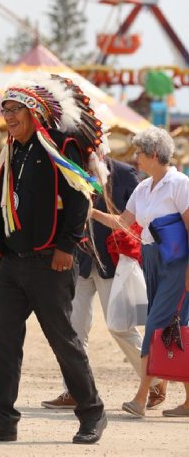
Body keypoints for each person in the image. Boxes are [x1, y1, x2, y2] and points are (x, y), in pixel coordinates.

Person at [0, 73, 107, 445]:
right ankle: (3, 419)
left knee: (63, 340)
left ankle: (92, 411)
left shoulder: (62, 144)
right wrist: (2, 251)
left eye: (16, 109)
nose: (9, 116)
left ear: (36, 111)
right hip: (13, 262)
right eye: (5, 109)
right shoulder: (12, 150)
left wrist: (66, 245)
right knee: (5, 343)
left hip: (50, 260)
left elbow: (79, 197)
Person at [42, 156, 167, 410]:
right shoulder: (67, 169)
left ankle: (154, 381)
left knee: (121, 326)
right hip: (77, 259)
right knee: (73, 329)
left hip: (113, 261)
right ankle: (74, 390)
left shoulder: (124, 173)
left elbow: (139, 217)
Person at [92, 126, 189, 418]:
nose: (135, 158)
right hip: (150, 259)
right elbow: (124, 222)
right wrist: (92, 212)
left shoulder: (180, 183)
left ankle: (141, 397)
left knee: (157, 323)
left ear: (155, 154)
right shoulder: (143, 187)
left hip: (176, 263)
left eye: (140, 153)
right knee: (173, 327)